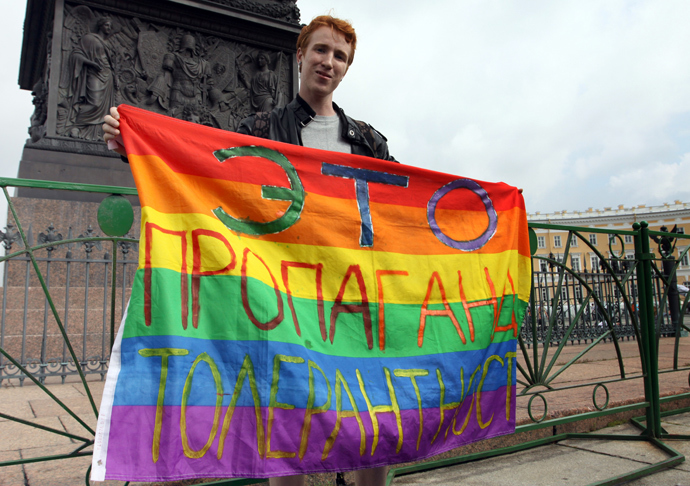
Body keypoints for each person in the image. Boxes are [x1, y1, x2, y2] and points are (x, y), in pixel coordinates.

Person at [103, 14, 393, 486]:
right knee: (287, 416)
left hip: (354, 295)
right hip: (286, 296)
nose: (329, 62)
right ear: (300, 55)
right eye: (320, 50)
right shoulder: (261, 128)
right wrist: (133, 145)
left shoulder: (368, 140)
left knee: (371, 416)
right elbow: (202, 166)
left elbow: (404, 205)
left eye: (340, 56)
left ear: (347, 67)